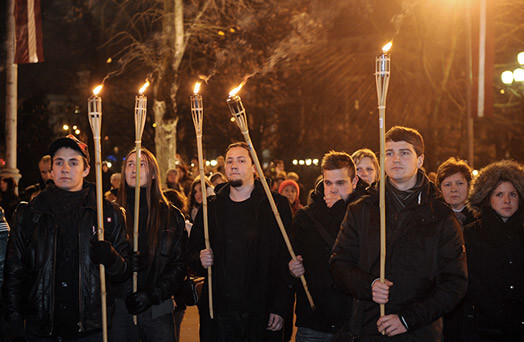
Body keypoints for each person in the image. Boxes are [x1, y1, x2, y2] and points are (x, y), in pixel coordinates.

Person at [329, 126, 467, 341]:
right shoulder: (361, 209)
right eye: (389, 153)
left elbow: (455, 282)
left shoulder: (440, 215)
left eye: (404, 153)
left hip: (419, 332)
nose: (395, 159)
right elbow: (339, 262)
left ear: (420, 160)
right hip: (369, 328)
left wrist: (407, 319)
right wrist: (369, 285)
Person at [4, 134, 130, 341]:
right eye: (59, 162)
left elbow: (123, 273)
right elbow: (14, 270)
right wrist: (14, 317)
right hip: (42, 327)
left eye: (73, 162)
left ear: (86, 169)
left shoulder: (108, 213)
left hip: (90, 329)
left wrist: (111, 258)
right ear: (51, 170)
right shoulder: (30, 213)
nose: (65, 168)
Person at [187, 142, 293, 342]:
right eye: (229, 161)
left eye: (241, 160)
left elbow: (286, 259)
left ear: (254, 167)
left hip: (261, 311)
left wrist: (280, 306)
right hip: (220, 315)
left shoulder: (275, 206)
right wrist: (199, 259)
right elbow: (191, 254)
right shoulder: (211, 208)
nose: (234, 165)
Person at [288, 151, 367, 342]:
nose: (333, 190)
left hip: (352, 322)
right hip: (313, 321)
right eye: (328, 183)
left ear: (354, 182)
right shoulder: (305, 217)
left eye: (340, 183)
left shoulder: (366, 214)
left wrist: (343, 210)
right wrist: (291, 266)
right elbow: (289, 258)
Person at [110, 148, 187, 341]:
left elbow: (179, 266)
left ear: (153, 174)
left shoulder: (171, 215)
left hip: (158, 309)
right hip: (120, 309)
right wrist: (119, 263)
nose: (135, 169)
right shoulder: (109, 214)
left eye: (142, 164)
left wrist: (153, 293)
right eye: (130, 164)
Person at [462, 160, 524, 341]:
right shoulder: (471, 233)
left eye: (512, 194)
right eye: (499, 194)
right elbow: (469, 279)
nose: (507, 200)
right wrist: (498, 312)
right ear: (487, 198)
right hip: (484, 328)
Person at [436, 157, 475, 227]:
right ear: (439, 189)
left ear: (469, 186)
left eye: (459, 183)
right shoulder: (433, 218)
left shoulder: (480, 218)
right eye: (447, 185)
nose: (453, 189)